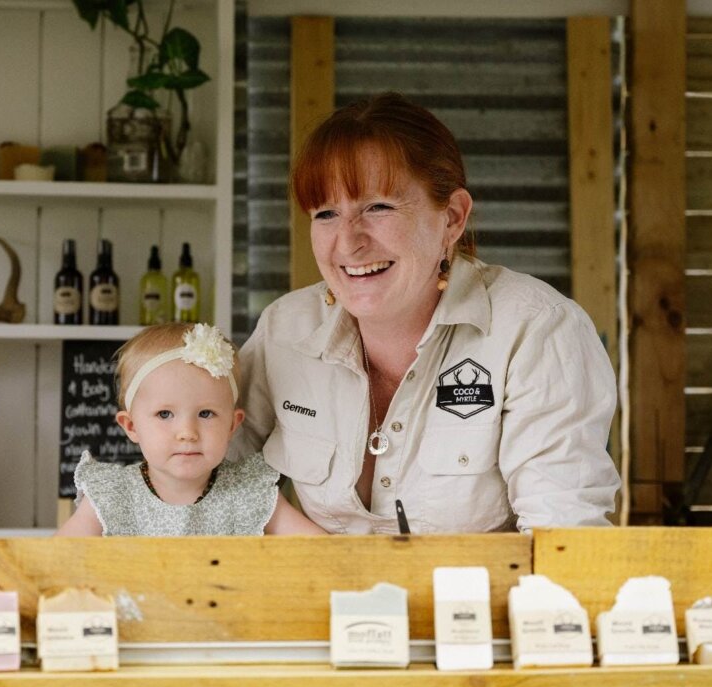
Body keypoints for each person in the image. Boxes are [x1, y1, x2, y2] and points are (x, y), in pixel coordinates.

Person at [229, 92, 619, 534]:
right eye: (326, 213)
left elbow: (563, 538)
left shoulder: (537, 329)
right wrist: (298, 539)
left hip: (480, 602)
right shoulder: (286, 329)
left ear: (452, 218)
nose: (348, 241)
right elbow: (202, 477)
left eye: (377, 207)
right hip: (319, 598)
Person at [59, 322, 325, 537]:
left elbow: (320, 552)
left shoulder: (250, 493)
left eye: (206, 414)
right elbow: (54, 560)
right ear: (131, 426)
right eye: (165, 414)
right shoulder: (109, 497)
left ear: (232, 424)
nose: (187, 432)